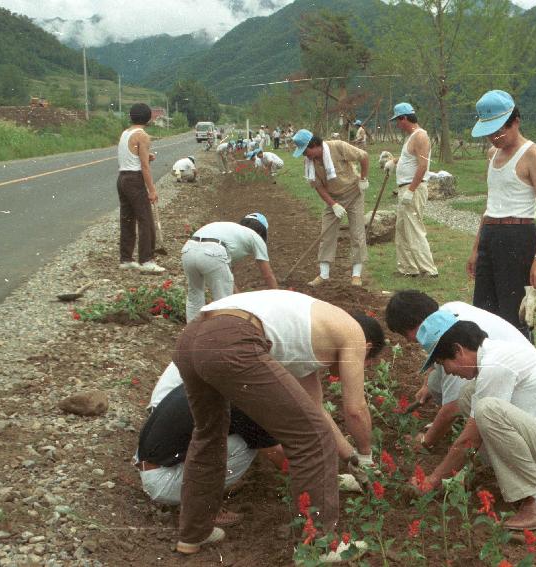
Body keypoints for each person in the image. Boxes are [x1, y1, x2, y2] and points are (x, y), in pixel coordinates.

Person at [172, 290, 385, 555]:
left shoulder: (308, 338)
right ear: (367, 348)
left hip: (192, 337)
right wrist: (366, 455)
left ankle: (194, 533)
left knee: (208, 434)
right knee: (311, 439)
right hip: (233, 336)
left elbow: (315, 411)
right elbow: (355, 410)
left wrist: (351, 458)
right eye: (367, 362)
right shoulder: (353, 333)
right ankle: (318, 546)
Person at [412, 311, 536, 531]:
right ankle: (519, 482)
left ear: (458, 350)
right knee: (468, 395)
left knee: (487, 409)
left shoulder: (496, 364)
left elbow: (469, 441)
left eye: (442, 363)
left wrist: (432, 480)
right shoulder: (493, 356)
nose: (447, 371)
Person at [135, 363, 286, 526]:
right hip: (163, 481)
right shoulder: (243, 403)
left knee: (238, 436)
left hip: (150, 464)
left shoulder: (215, 382)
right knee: (247, 445)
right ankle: (202, 509)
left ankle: (197, 492)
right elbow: (278, 457)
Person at [384, 290, 533, 451]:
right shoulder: (446, 312)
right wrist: (427, 384)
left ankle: (471, 425)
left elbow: (452, 405)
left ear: (419, 324)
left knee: (463, 398)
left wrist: (425, 441)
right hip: (509, 363)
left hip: (516, 385)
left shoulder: (453, 339)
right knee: (435, 382)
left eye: (406, 335)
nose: (409, 341)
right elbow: (437, 360)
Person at [467, 90, 536, 343]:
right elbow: (490, 205)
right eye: (490, 133)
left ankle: (524, 371)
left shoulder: (532, 154)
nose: (494, 138)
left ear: (515, 121)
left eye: (499, 131)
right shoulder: (491, 155)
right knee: (484, 311)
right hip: (490, 236)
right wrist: (476, 248)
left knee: (514, 314)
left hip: (518, 237)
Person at [291, 129, 370, 287]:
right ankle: (324, 274)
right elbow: (318, 186)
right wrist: (333, 204)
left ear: (314, 145)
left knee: (357, 233)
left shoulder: (338, 147)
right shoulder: (309, 162)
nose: (305, 156)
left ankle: (356, 275)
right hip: (333, 197)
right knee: (326, 233)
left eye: (306, 151)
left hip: (353, 192)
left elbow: (364, 156)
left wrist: (363, 178)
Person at [182, 213, 278, 323]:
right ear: (262, 231)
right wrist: (278, 301)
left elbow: (228, 277)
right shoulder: (255, 237)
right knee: (225, 302)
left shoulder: (231, 231)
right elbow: (268, 275)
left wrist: (240, 301)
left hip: (188, 250)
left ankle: (191, 333)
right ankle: (223, 335)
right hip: (213, 252)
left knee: (195, 295)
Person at [115, 103, 166, 274]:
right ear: (149, 118)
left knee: (127, 219)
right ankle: (146, 260)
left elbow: (131, 155)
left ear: (131, 117)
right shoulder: (143, 136)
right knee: (145, 219)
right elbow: (144, 166)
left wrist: (146, 156)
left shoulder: (125, 133)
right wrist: (152, 190)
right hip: (134, 179)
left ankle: (126, 259)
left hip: (122, 178)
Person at [389, 102, 438, 277]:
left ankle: (429, 270)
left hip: (413, 188)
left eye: (398, 120)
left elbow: (423, 165)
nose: (397, 124)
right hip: (405, 187)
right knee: (402, 230)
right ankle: (408, 269)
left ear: (404, 118)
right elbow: (409, 159)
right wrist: (393, 162)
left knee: (414, 229)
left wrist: (411, 190)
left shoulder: (420, 136)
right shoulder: (411, 137)